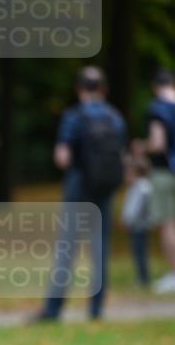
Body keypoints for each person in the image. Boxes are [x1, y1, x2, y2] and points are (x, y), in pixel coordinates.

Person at [31, 66, 127, 322]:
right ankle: (96, 310)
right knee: (99, 248)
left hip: (77, 188)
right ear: (104, 89)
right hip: (104, 191)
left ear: (79, 90)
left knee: (67, 248)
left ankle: (53, 309)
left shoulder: (74, 117)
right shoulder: (115, 118)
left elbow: (62, 157)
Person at [144, 68, 175, 294]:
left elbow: (158, 143)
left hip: (165, 172)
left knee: (167, 224)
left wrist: (141, 147)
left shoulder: (158, 109)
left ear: (156, 87)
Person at [121, 148, 153, 286]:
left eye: (128, 174)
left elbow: (135, 208)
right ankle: (142, 277)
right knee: (139, 253)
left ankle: (143, 279)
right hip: (138, 226)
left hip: (139, 226)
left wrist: (127, 220)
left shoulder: (141, 188)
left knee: (140, 253)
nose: (126, 177)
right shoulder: (139, 187)